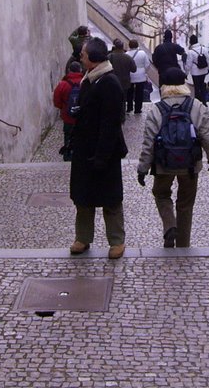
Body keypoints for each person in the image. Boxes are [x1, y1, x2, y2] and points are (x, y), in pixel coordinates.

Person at [137, 68, 209, 248]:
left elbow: (148, 143)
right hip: (190, 164)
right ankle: (183, 243)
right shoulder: (197, 106)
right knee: (186, 203)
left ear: (164, 86)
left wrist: (143, 168)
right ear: (184, 84)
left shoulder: (156, 110)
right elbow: (207, 136)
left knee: (161, 194)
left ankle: (169, 225)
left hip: (163, 163)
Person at [69, 38, 129, 259]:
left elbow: (111, 123)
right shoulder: (90, 79)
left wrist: (102, 156)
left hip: (104, 152)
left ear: (93, 59)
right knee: (83, 198)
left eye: (83, 54)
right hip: (85, 150)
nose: (80, 57)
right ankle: (82, 238)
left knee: (110, 199)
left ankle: (116, 241)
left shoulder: (109, 83)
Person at [53, 61, 84, 162]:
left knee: (68, 135)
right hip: (82, 115)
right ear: (80, 70)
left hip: (68, 116)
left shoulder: (63, 84)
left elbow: (56, 100)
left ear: (69, 70)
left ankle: (68, 154)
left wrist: (63, 107)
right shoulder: (85, 82)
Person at [108, 38, 137, 121]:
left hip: (112, 81)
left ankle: (113, 115)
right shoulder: (128, 57)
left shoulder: (109, 57)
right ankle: (122, 116)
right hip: (125, 82)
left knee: (112, 99)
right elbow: (134, 69)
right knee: (123, 99)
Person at [126, 38, 152, 115]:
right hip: (141, 75)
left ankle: (129, 107)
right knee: (139, 93)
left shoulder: (126, 54)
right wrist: (144, 71)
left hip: (130, 75)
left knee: (129, 92)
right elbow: (147, 64)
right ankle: (138, 109)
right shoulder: (142, 53)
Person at [184, 34, 209, 104]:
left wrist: (186, 74)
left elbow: (188, 64)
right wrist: (207, 69)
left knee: (197, 87)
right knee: (202, 85)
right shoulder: (204, 49)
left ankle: (197, 103)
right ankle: (204, 102)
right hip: (204, 71)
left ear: (191, 42)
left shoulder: (190, 52)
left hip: (195, 73)